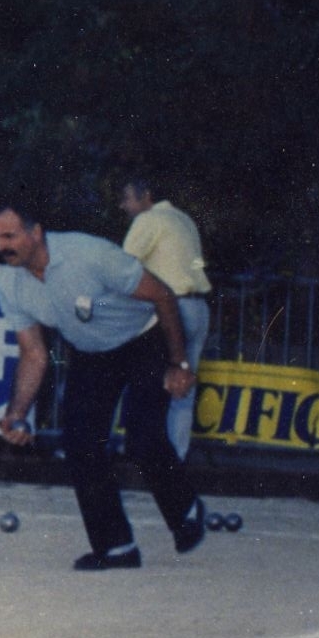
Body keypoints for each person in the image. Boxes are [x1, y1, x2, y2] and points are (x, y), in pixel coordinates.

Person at [0, 202, 209, 571]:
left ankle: (185, 509)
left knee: (142, 435)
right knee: (79, 442)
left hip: (143, 338)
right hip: (92, 352)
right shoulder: (11, 285)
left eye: (9, 236)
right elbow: (33, 354)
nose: (1, 245)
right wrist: (17, 414)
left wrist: (179, 363)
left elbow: (162, 295)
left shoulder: (88, 255)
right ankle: (116, 547)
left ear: (36, 232)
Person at [120, 177, 216, 458]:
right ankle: (177, 460)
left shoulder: (148, 221)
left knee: (149, 385)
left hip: (170, 309)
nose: (123, 205)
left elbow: (124, 267)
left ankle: (143, 457)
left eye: (127, 198)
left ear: (145, 196)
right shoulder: (183, 220)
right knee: (182, 391)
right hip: (198, 307)